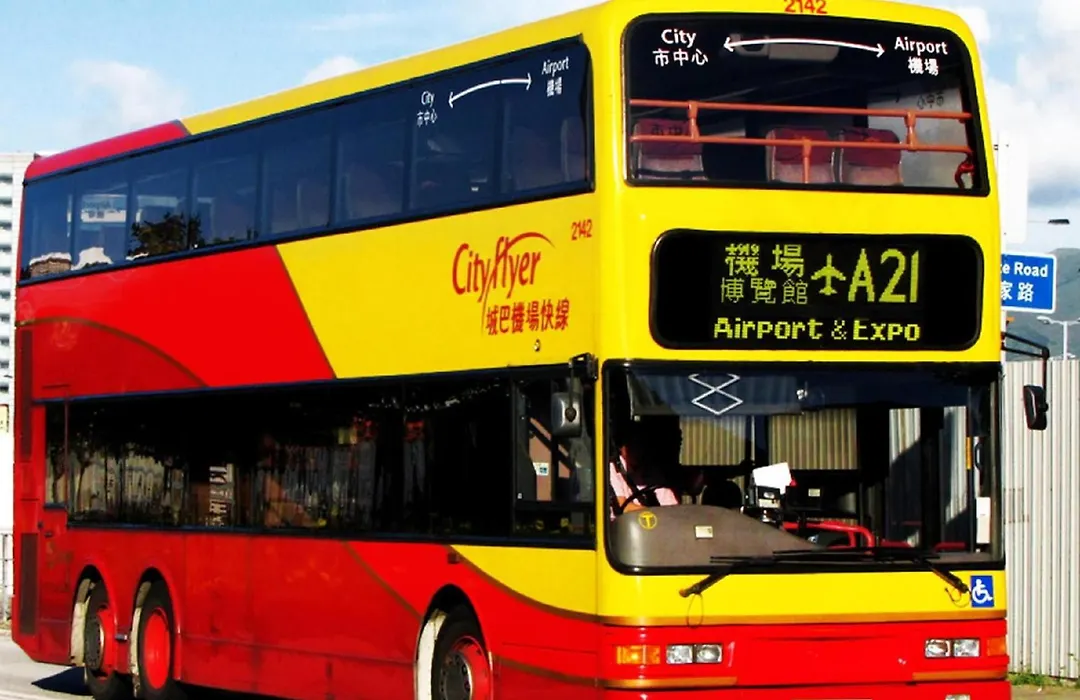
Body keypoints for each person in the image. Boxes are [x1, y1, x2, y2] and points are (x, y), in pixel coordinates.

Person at [608, 414, 702, 518]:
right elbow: (623, 507)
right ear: (622, 447)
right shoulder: (612, 469)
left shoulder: (651, 470)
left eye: (641, 444)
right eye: (633, 443)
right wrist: (657, 514)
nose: (638, 449)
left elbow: (670, 505)